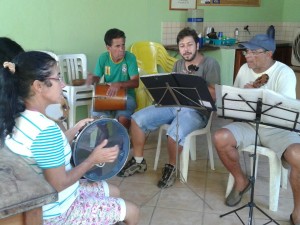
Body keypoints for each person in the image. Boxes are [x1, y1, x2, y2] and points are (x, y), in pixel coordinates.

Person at [1, 51, 139, 225]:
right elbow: (59, 183)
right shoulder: (46, 130)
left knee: (114, 191)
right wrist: (92, 159)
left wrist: (75, 128)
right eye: (58, 78)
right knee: (132, 211)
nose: (64, 84)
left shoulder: (17, 117)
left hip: (49, 199)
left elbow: (48, 151)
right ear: (39, 86)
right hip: (58, 211)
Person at [213, 34, 300, 225]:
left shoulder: (284, 73)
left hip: (278, 129)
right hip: (250, 125)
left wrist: (258, 96)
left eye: (253, 52)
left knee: (298, 155)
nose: (247, 56)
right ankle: (241, 180)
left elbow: (285, 113)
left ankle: (298, 211)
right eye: (246, 51)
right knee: (220, 137)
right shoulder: (244, 69)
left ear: (268, 54)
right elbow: (233, 103)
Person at [118, 27, 221, 188]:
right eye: (182, 46)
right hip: (173, 105)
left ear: (197, 46)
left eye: (189, 45)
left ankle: (171, 167)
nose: (186, 50)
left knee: (174, 132)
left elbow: (215, 94)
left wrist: (192, 83)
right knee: (137, 119)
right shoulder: (179, 64)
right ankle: (138, 161)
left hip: (197, 111)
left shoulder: (210, 64)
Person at [86, 28, 139, 130]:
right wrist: (93, 79)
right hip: (108, 95)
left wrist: (119, 84)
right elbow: (97, 78)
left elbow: (136, 82)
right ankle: (104, 138)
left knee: (123, 119)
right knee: (97, 116)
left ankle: (122, 141)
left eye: (123, 45)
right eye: (117, 46)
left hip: (127, 97)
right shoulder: (103, 58)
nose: (122, 49)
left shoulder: (130, 58)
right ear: (108, 48)